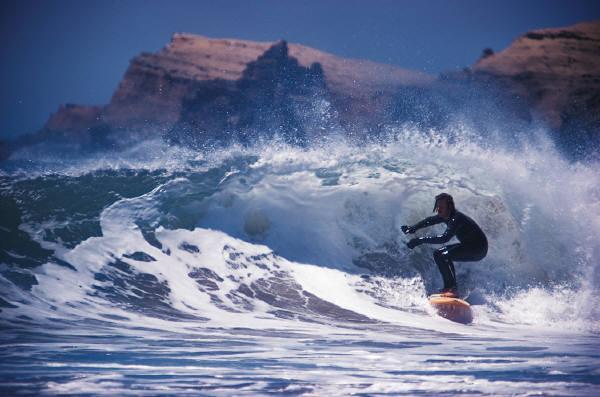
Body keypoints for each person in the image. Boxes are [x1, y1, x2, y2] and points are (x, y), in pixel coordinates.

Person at [401, 193, 488, 297]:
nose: (438, 210)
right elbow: (429, 221)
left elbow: (444, 238)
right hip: (469, 246)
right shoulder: (446, 216)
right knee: (439, 254)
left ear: (450, 207)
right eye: (437, 207)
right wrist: (413, 228)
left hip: (478, 249)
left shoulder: (456, 218)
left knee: (442, 256)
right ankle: (451, 287)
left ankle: (451, 289)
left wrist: (420, 240)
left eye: (441, 207)